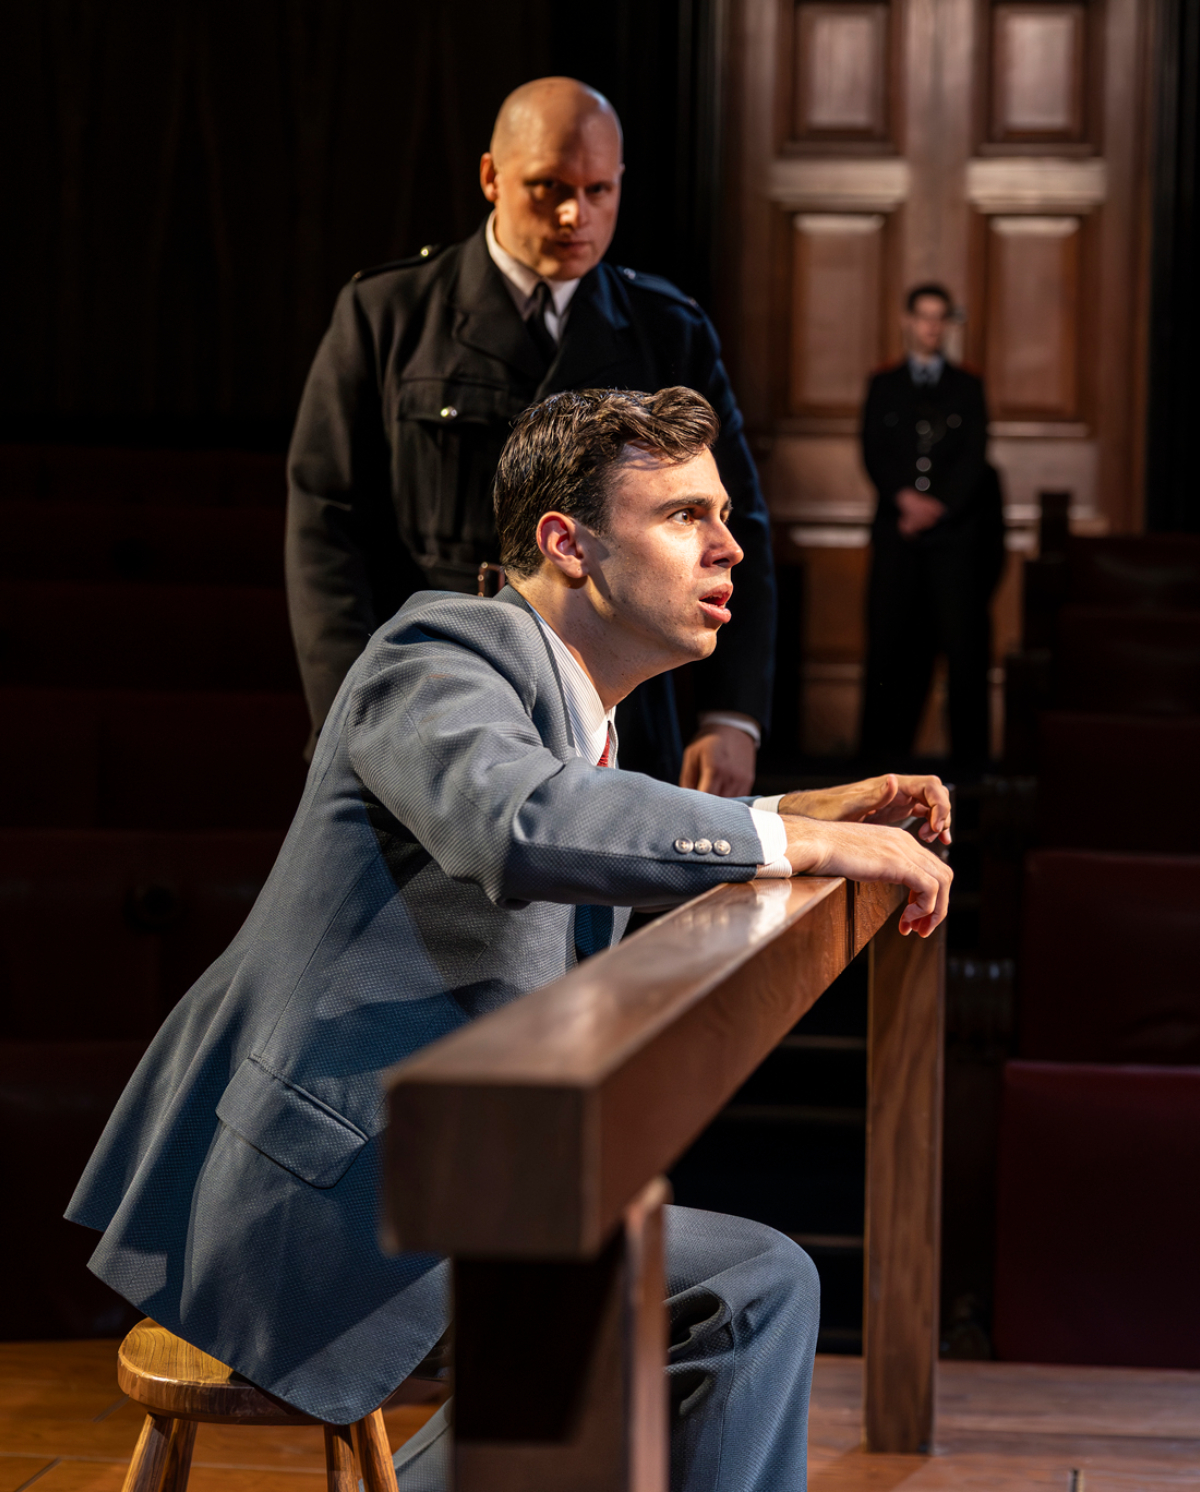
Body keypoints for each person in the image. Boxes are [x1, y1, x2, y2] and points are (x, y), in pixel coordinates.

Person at [70, 388, 952, 1491]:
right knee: (749, 1285)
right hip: (325, 1195)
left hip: (452, 1169)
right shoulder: (437, 651)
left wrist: (792, 815)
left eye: (724, 515)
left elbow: (593, 819)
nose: (730, 546)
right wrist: (793, 842)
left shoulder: (571, 713)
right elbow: (522, 821)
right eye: (685, 515)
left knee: (691, 1295)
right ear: (567, 544)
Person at [286, 75, 775, 793]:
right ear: (492, 177)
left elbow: (735, 522)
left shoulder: (668, 329)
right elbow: (327, 527)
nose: (576, 214)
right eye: (548, 188)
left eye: (599, 190)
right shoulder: (388, 314)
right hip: (438, 689)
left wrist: (733, 714)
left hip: (620, 700)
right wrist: (353, 710)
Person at [859, 283, 1006, 766]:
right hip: (897, 539)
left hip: (954, 540)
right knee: (889, 651)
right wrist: (904, 499)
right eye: (923, 316)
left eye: (940, 317)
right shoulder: (885, 383)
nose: (931, 326)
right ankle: (877, 767)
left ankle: (971, 772)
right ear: (908, 320)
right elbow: (873, 450)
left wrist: (937, 506)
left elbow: (975, 456)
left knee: (963, 653)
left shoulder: (967, 385)